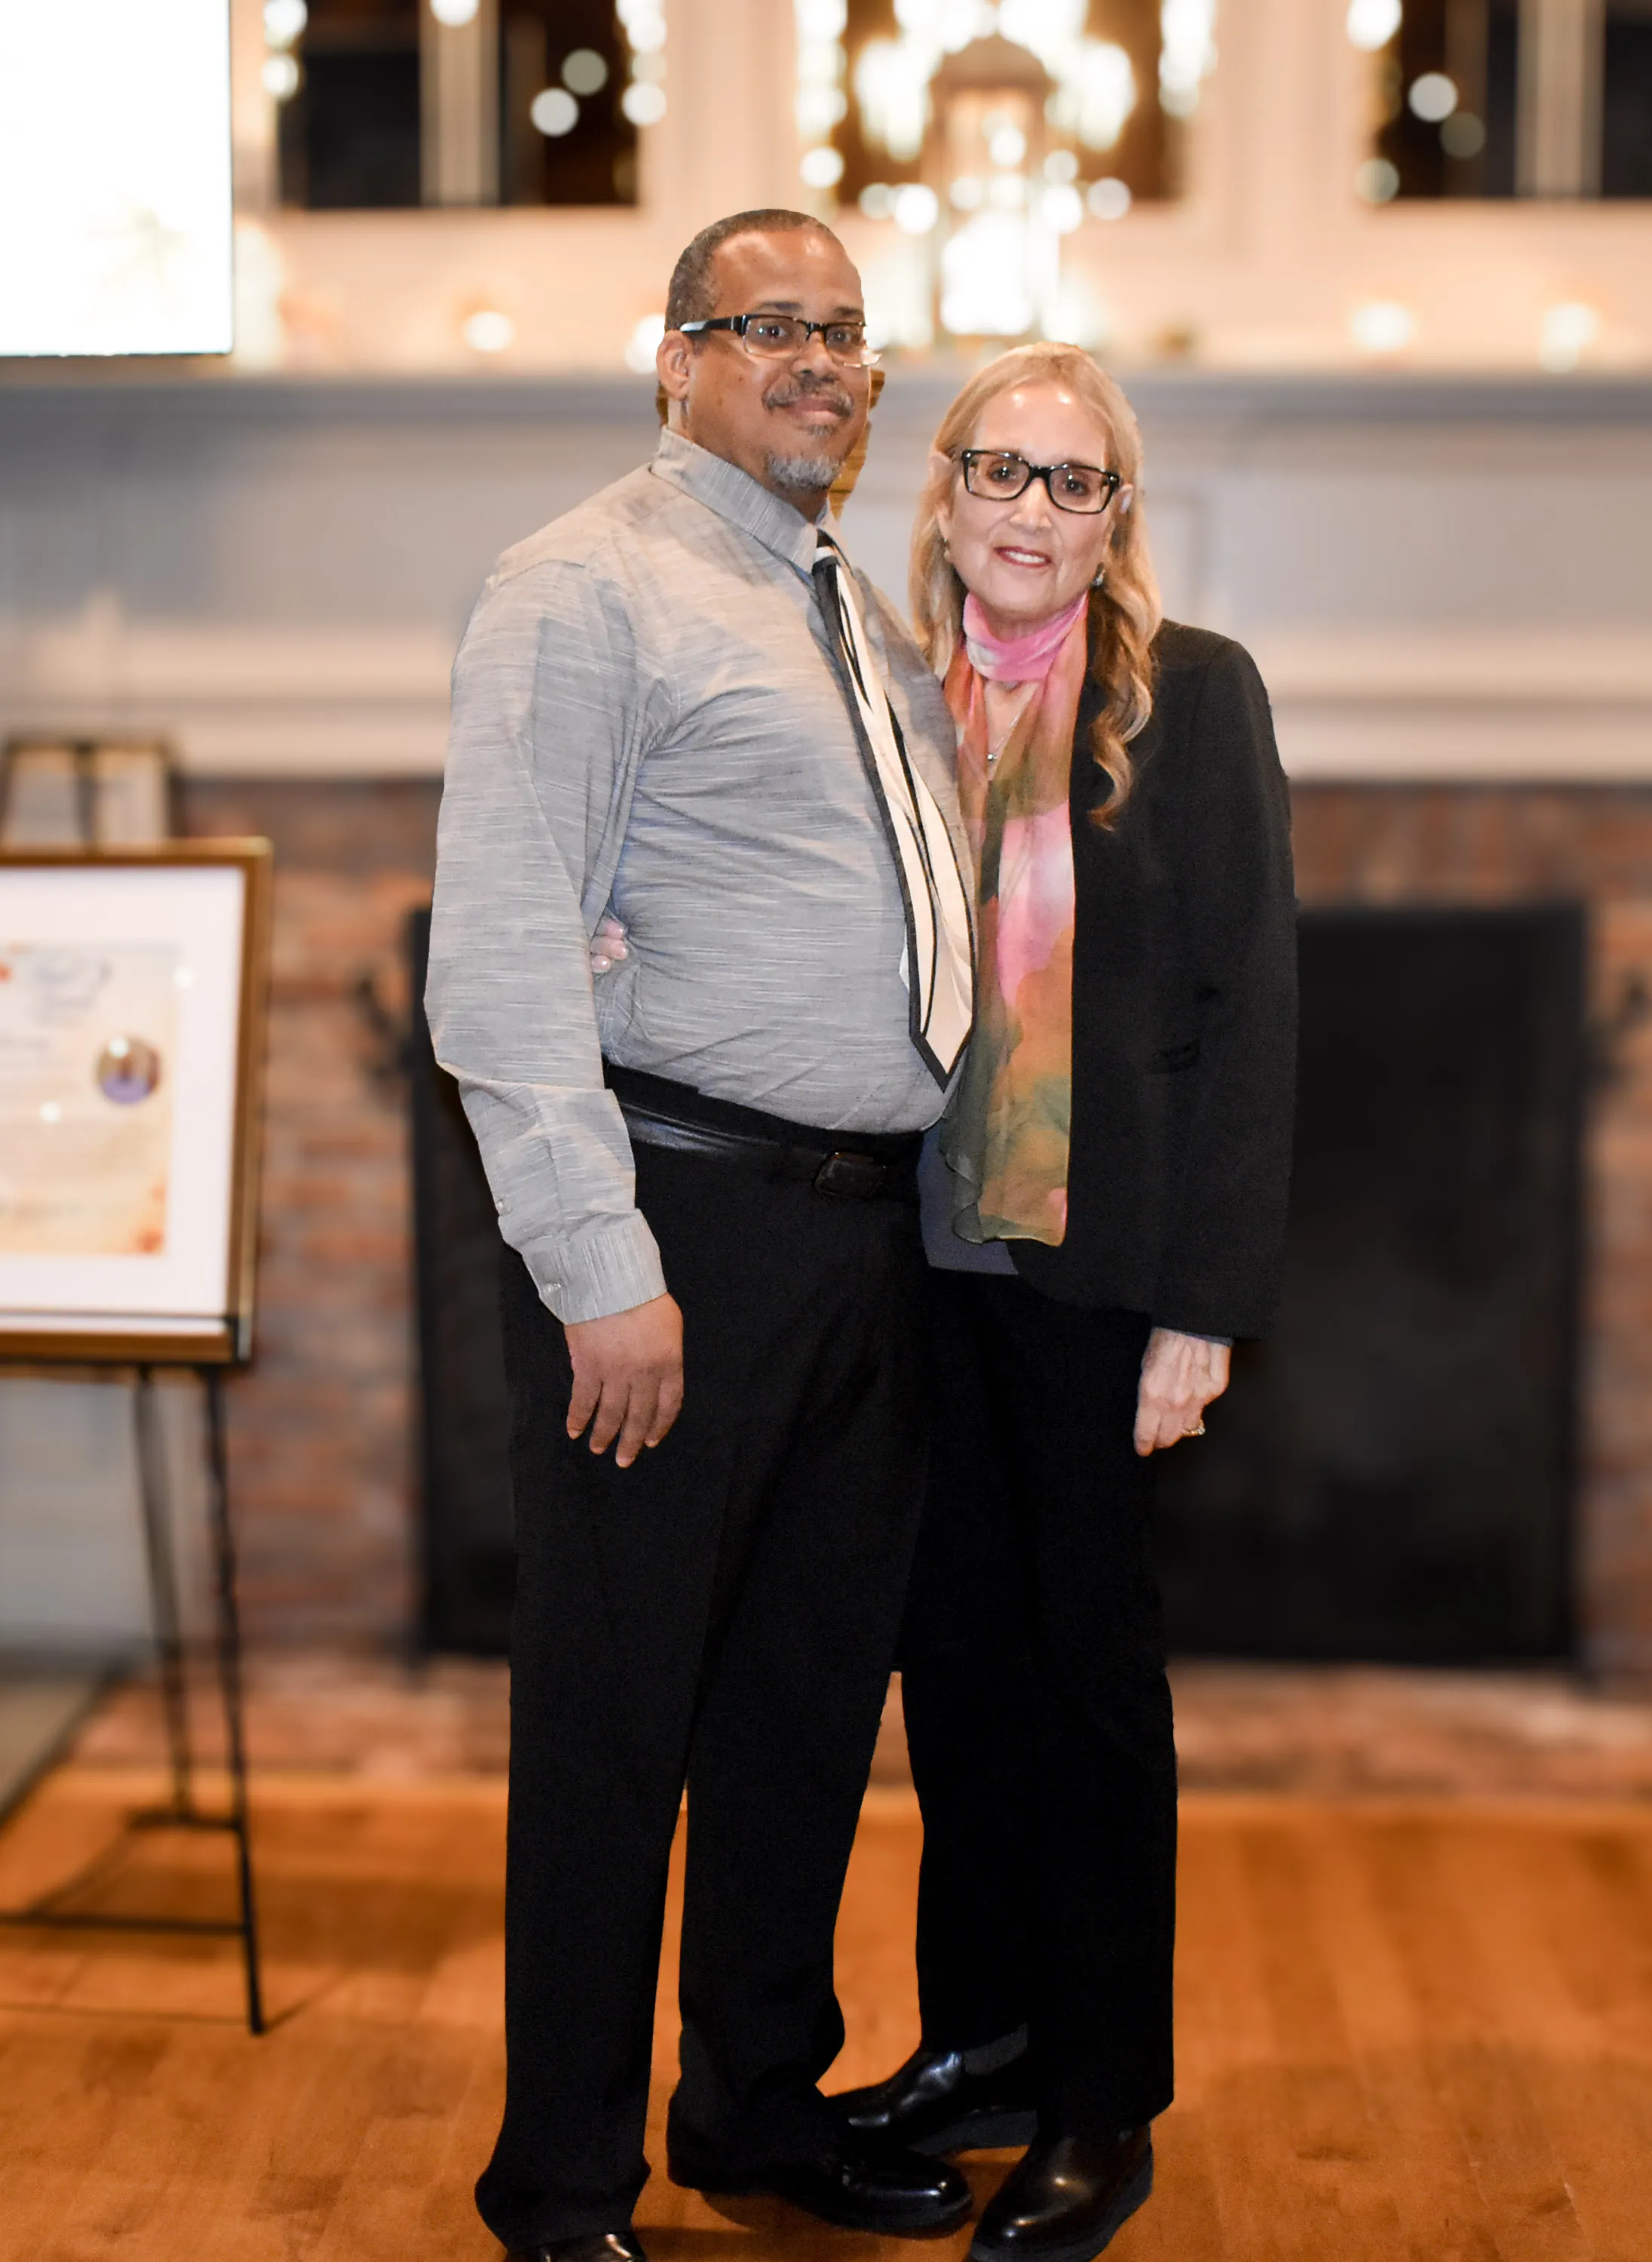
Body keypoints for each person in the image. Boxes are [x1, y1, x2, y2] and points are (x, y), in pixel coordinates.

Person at [425, 210, 977, 2262]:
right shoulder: (583, 586)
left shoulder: (849, 605)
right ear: (673, 359)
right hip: (674, 1232)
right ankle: (561, 2182)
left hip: (864, 1245)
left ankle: (754, 2110)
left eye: (844, 332)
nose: (818, 361)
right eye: (767, 326)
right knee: (613, 1722)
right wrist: (602, 1269)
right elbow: (501, 956)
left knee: (802, 1713)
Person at [835, 345, 1298, 2262]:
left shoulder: (1193, 696)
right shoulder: (874, 691)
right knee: (953, 1676)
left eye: (1073, 480)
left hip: (1097, 1277)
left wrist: (1205, 1307)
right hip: (905, 1273)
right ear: (942, 492)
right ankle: (986, 2044)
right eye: (1000, 471)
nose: (1031, 509)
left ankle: (1103, 2099)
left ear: (1115, 520)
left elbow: (1250, 1011)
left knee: (1091, 1687)